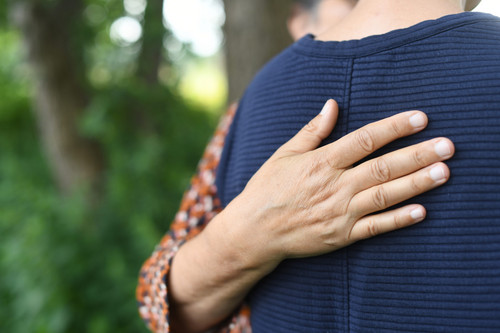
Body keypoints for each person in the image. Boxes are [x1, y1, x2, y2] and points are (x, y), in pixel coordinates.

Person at [136, 1, 470, 332]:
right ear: (298, 22)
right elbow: (160, 302)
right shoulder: (242, 118)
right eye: (350, 5)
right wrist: (252, 231)